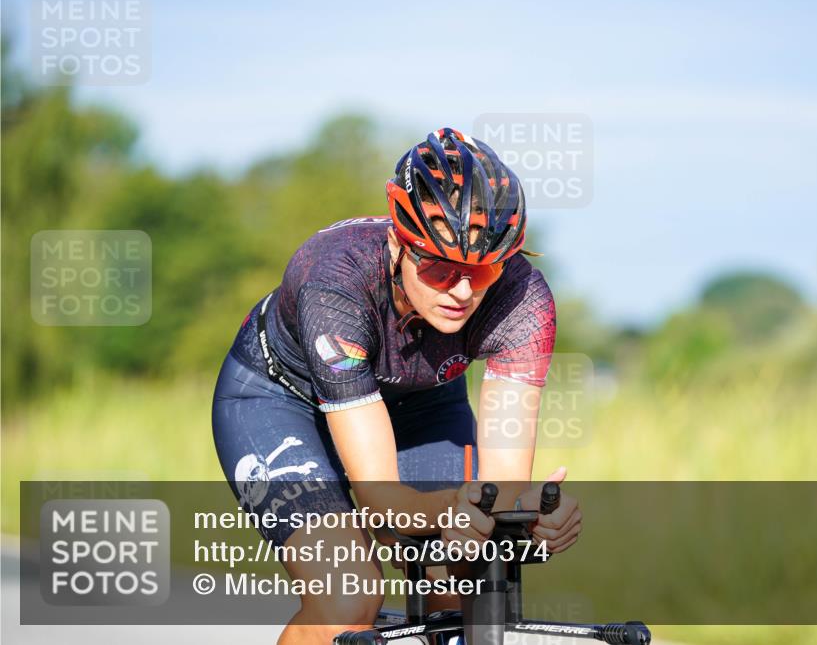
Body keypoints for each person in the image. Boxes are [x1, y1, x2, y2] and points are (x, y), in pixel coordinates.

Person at [212, 128, 581, 645]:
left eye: (483, 271)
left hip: (422, 404)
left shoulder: (523, 300)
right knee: (347, 595)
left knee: (464, 586)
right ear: (397, 240)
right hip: (281, 401)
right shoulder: (333, 279)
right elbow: (382, 500)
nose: (461, 291)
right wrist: (462, 508)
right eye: (438, 266)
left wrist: (526, 515)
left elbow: (498, 490)